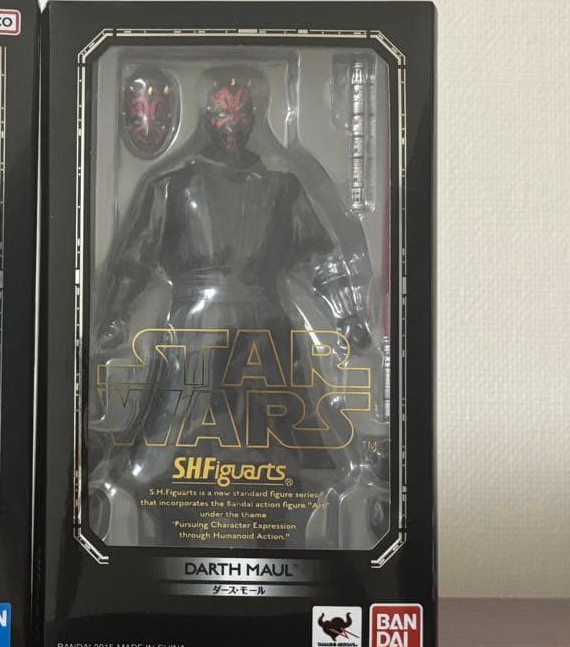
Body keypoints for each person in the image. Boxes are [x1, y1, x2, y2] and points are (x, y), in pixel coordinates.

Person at [89, 67, 371, 549]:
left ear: (256, 116)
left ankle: (283, 517)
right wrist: (113, 317)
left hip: (264, 322)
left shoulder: (281, 188)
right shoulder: (173, 186)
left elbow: (322, 257)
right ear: (207, 115)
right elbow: (135, 259)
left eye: (242, 113)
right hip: (197, 324)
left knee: (285, 439)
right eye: (223, 112)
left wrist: (348, 317)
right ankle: (154, 507)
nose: (233, 123)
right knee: (167, 436)